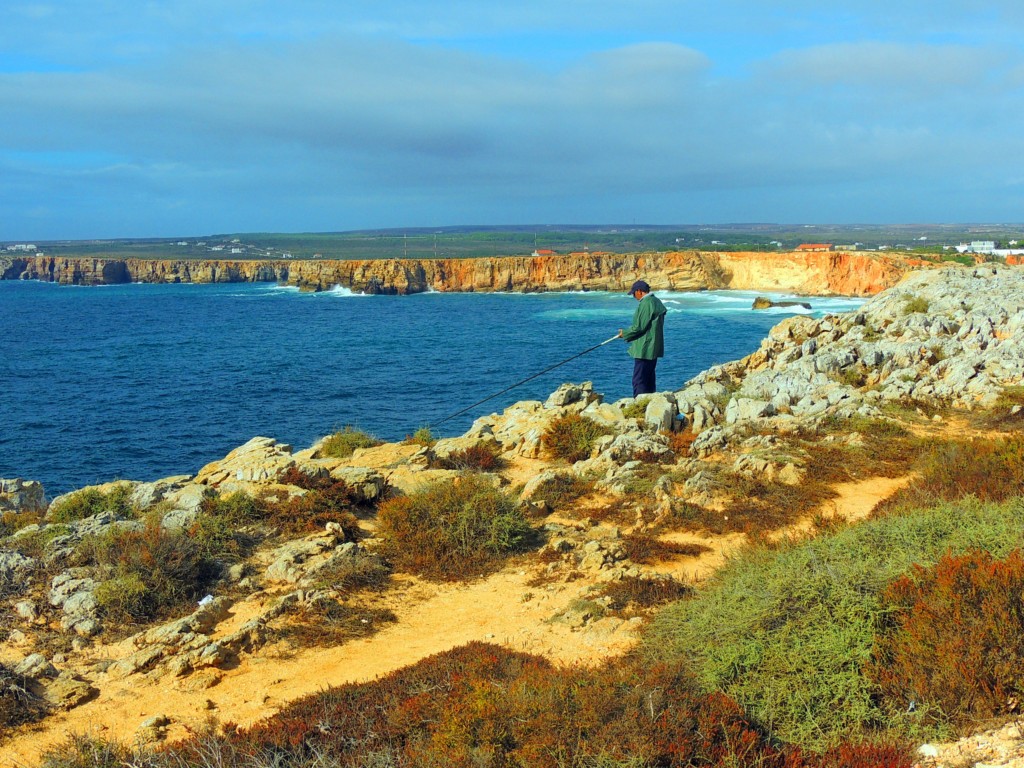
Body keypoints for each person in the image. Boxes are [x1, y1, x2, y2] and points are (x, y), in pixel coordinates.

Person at [618, 280, 667, 396]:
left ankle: (639, 405)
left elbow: (639, 327)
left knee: (639, 380)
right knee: (649, 378)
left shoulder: (646, 303)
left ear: (639, 291)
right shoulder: (656, 301)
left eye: (634, 293)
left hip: (644, 348)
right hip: (653, 347)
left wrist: (624, 333)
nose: (634, 296)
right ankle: (649, 402)